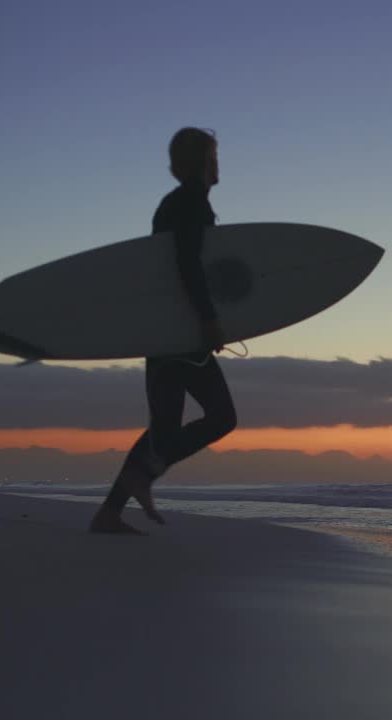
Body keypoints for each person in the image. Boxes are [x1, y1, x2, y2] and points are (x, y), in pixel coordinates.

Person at [89, 127, 238, 535]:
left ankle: (110, 512)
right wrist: (207, 319)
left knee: (166, 427)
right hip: (180, 331)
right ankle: (141, 478)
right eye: (215, 156)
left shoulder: (176, 203)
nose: (218, 165)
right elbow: (187, 265)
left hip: (165, 328)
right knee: (221, 417)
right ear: (205, 162)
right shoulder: (190, 203)